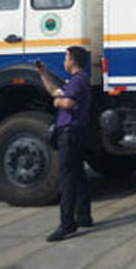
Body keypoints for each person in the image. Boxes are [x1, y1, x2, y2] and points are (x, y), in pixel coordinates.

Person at [36, 46, 93, 242]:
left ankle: (67, 223)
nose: (64, 61)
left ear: (73, 61)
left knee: (67, 178)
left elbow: (67, 103)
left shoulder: (77, 80)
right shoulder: (77, 80)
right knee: (78, 174)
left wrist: (58, 102)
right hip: (75, 134)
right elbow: (54, 91)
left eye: (66, 58)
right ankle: (84, 215)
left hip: (70, 134)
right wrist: (43, 73)